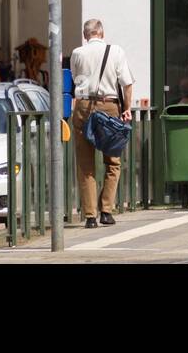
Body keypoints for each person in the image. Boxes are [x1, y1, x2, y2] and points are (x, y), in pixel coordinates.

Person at [69, 18, 134, 228]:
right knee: (113, 161)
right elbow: (127, 83)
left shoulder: (78, 53)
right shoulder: (116, 51)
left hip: (84, 107)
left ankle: (90, 216)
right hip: (109, 107)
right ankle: (106, 210)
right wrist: (126, 109)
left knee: (85, 164)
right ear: (102, 33)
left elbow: (76, 78)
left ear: (85, 35)